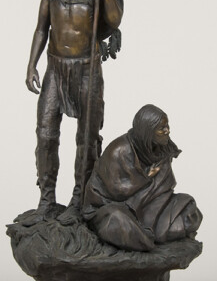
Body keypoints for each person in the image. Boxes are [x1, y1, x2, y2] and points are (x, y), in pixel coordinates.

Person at [26, 0, 123, 215]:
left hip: (87, 69)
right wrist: (31, 64)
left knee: (87, 137)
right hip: (55, 68)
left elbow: (114, 20)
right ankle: (46, 199)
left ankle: (79, 200)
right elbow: (42, 27)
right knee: (45, 134)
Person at [82, 105, 203, 251]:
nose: (167, 131)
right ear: (147, 132)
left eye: (167, 126)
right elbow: (116, 191)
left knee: (189, 209)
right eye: (161, 129)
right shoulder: (118, 151)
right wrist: (146, 176)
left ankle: (148, 233)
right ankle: (146, 241)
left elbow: (163, 185)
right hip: (112, 206)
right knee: (117, 222)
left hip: (150, 203)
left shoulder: (161, 147)